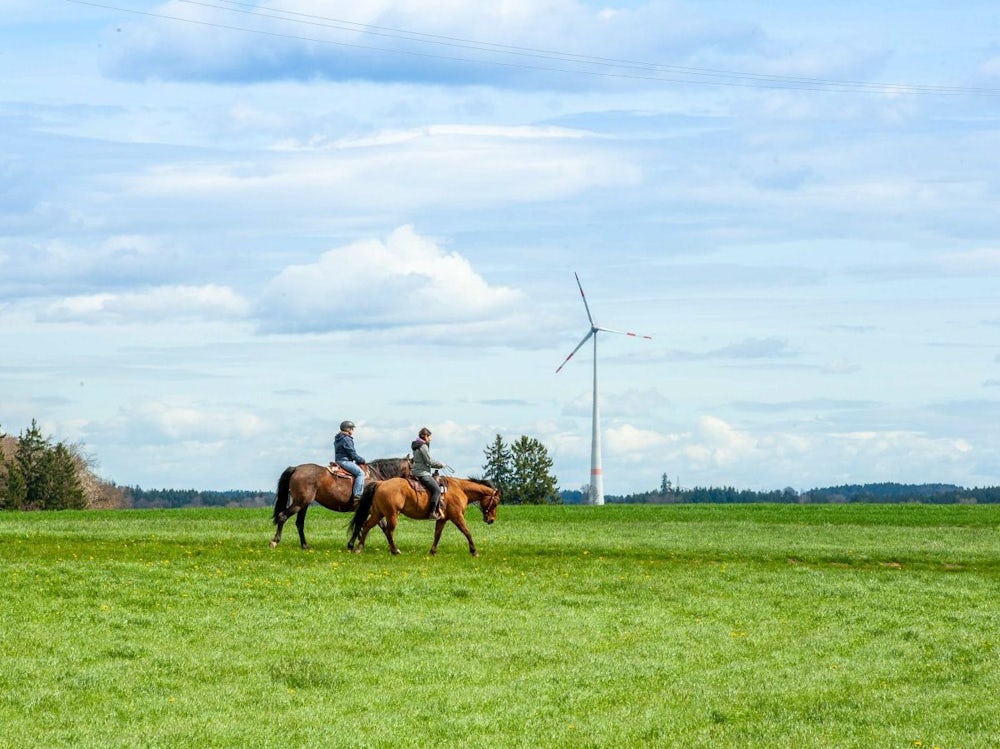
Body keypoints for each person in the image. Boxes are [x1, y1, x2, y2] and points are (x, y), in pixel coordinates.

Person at [411, 427, 447, 519]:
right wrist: (441, 465)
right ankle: (432, 512)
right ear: (425, 436)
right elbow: (428, 461)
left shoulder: (417, 445)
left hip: (416, 472)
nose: (431, 439)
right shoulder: (423, 446)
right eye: (430, 436)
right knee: (437, 490)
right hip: (423, 473)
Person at [334, 420, 366, 502]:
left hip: (338, 460)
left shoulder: (338, 438)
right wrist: (361, 460)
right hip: (345, 461)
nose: (353, 431)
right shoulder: (347, 439)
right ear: (348, 429)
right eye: (352, 429)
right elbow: (352, 453)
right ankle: (357, 495)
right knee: (360, 473)